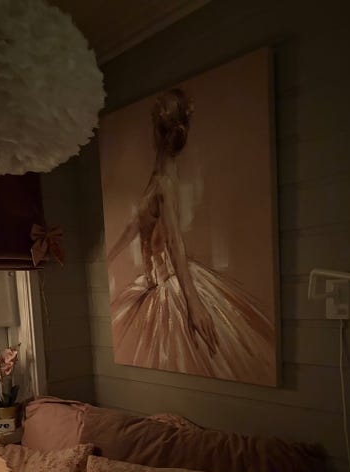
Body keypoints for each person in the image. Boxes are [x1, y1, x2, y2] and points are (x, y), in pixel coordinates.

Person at [107, 88, 276, 385]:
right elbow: (136, 225)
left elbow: (174, 242)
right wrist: (108, 257)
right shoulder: (159, 178)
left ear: (157, 133)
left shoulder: (164, 182)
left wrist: (193, 303)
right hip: (154, 283)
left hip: (170, 285)